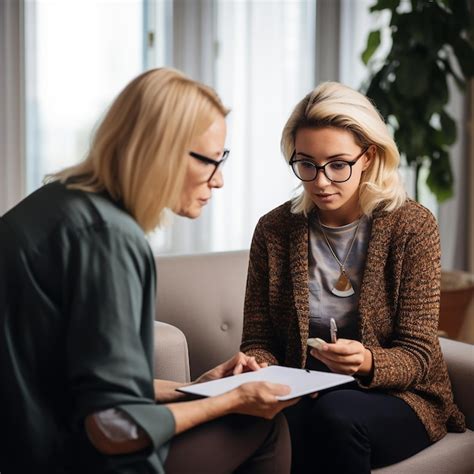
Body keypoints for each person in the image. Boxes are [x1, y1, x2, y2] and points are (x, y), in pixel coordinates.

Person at [0, 68, 299, 474]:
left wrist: (197, 388)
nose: (220, 180)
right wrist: (232, 400)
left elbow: (88, 385)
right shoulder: (109, 238)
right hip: (62, 457)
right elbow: (112, 425)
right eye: (211, 160)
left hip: (28, 444)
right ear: (162, 152)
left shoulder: (61, 203)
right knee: (266, 427)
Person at [240, 81, 466, 473]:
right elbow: (259, 339)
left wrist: (365, 362)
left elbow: (418, 354)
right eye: (306, 163)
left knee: (334, 416)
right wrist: (257, 365)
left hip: (400, 395)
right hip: (306, 390)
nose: (321, 181)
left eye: (338, 165)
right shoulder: (274, 230)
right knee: (256, 421)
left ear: (369, 157)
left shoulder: (412, 226)